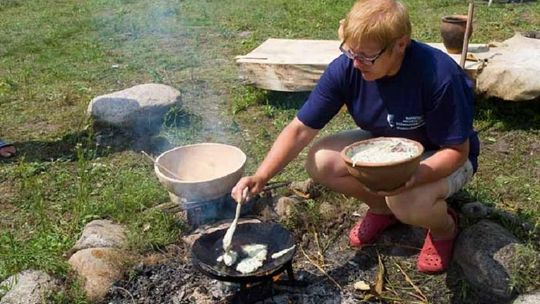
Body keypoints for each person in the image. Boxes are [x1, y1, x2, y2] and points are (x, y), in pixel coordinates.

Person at [231, 0, 479, 273]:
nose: (357, 64)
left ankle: (444, 228)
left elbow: (458, 151)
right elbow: (300, 129)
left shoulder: (438, 75)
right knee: (322, 161)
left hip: (442, 155)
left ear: (400, 44)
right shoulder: (347, 68)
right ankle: (383, 210)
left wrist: (411, 178)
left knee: (406, 201)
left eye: (366, 56)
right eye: (351, 53)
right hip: (389, 146)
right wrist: (262, 176)